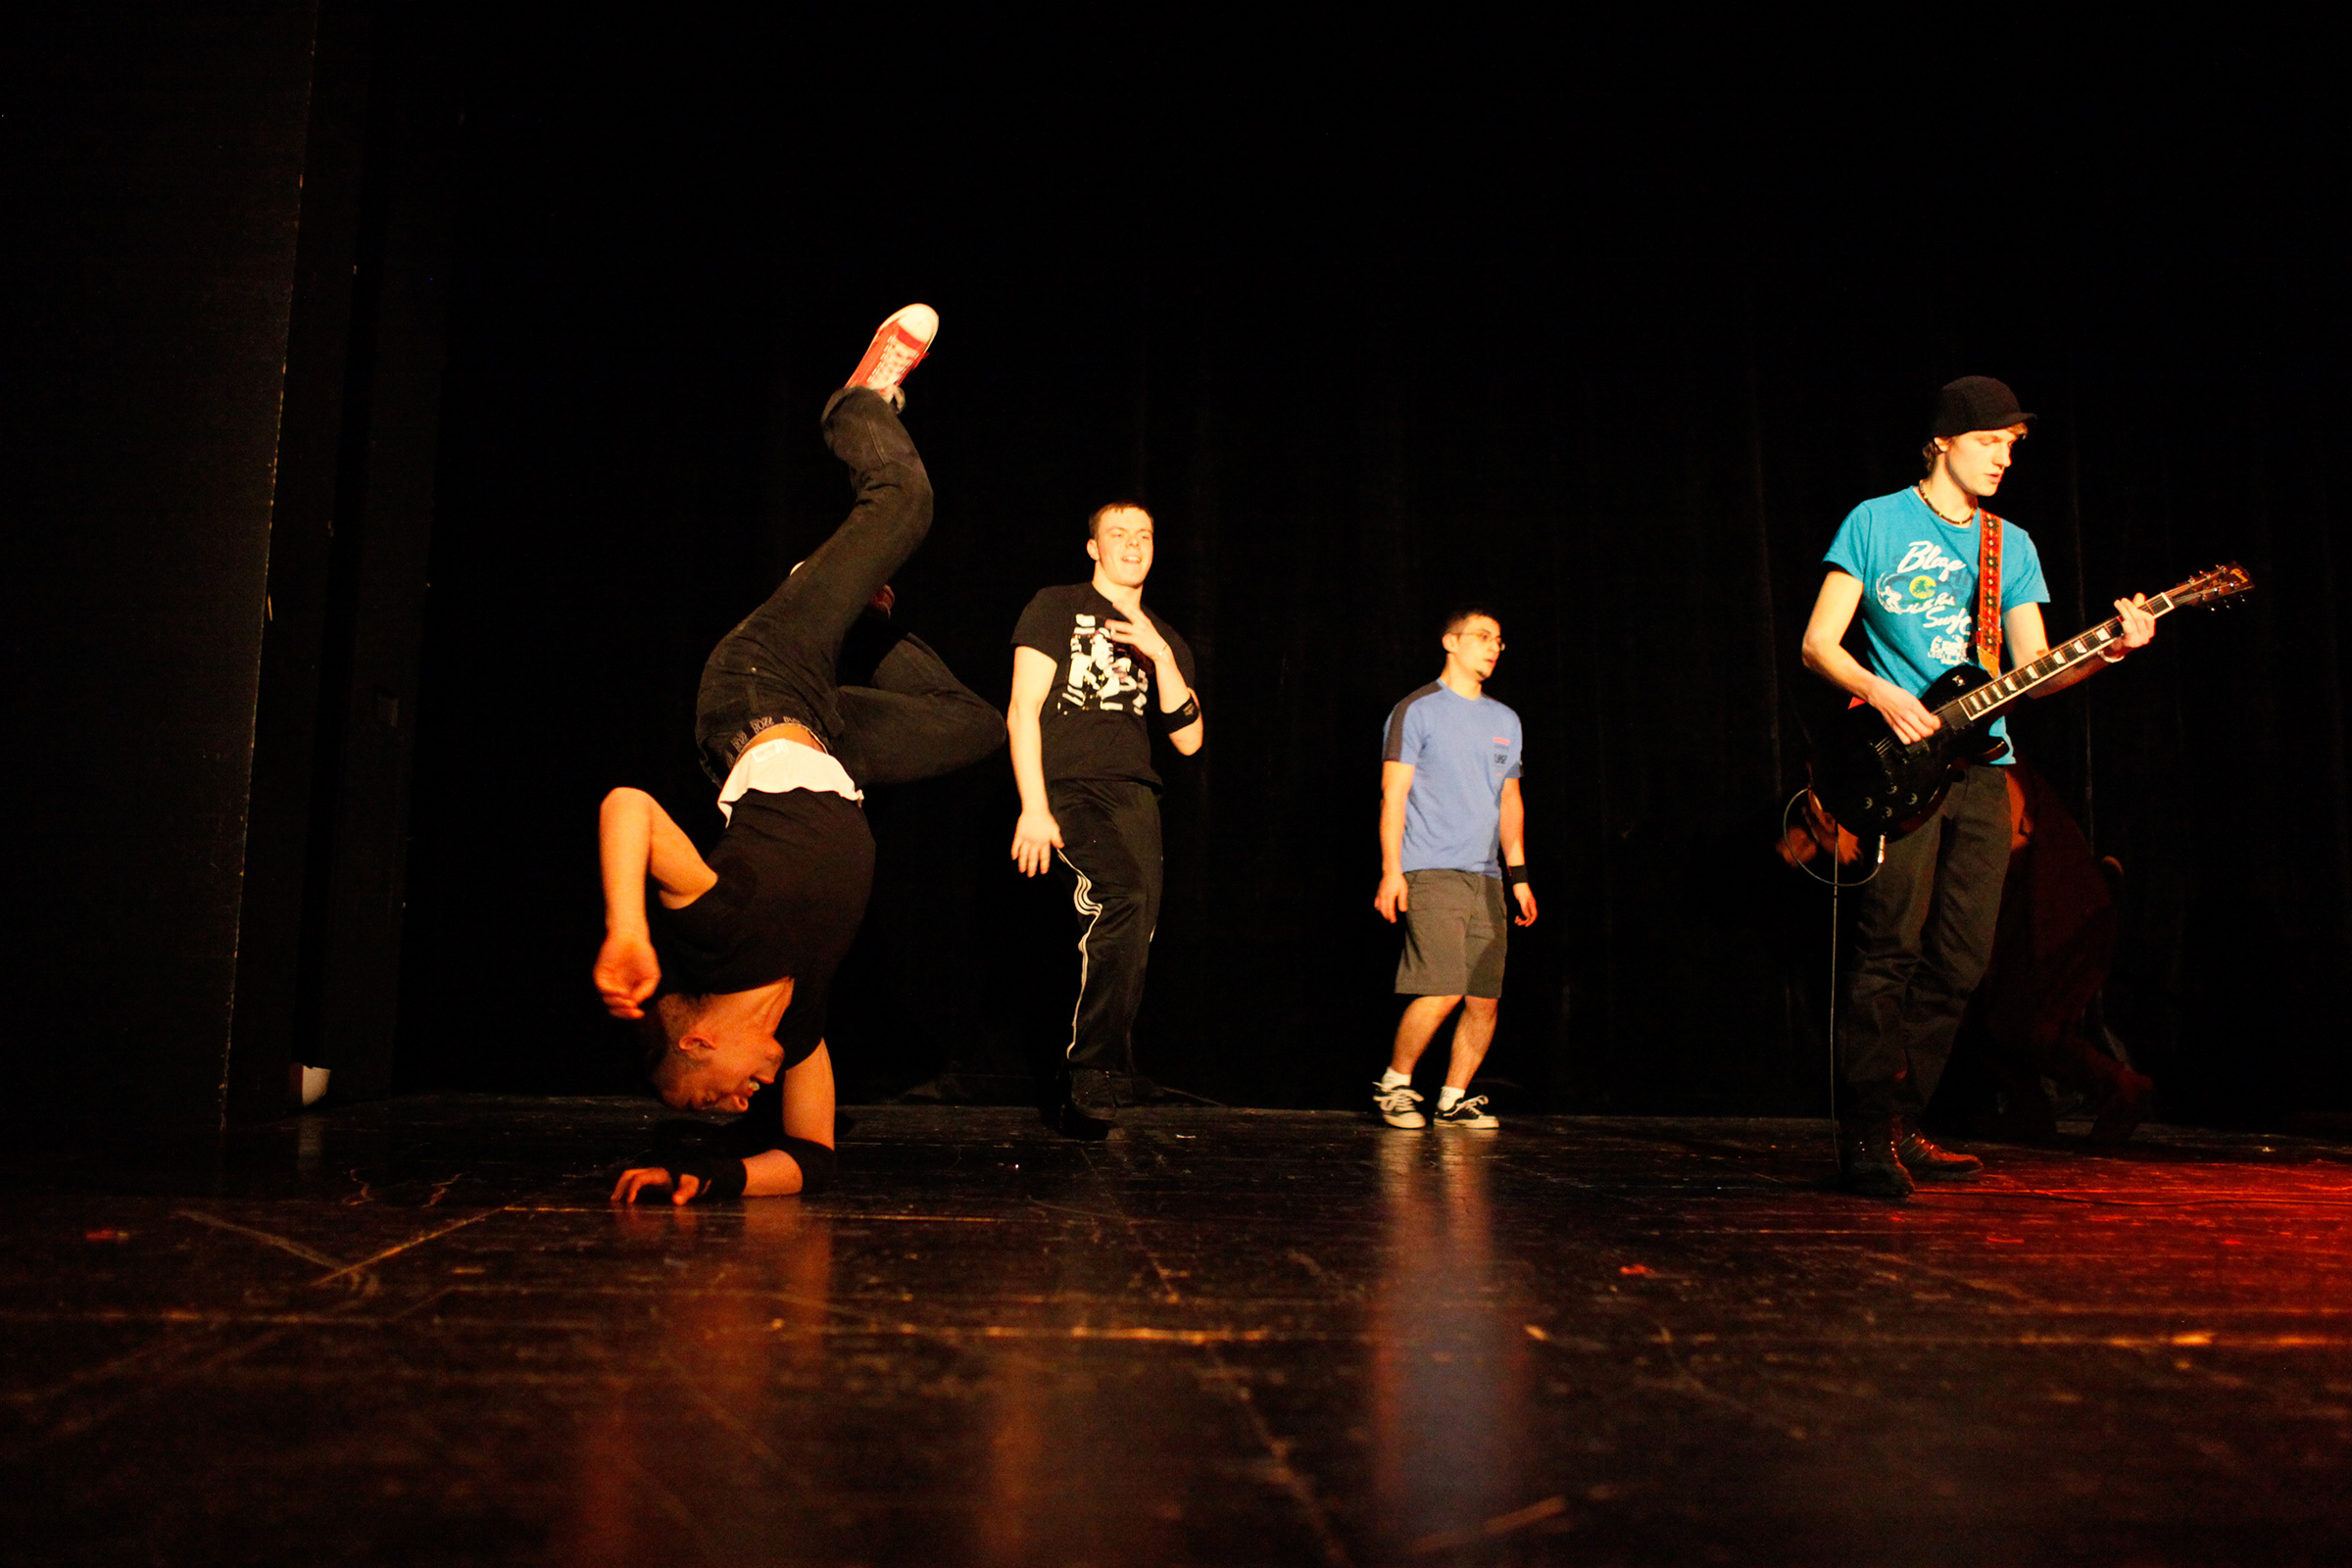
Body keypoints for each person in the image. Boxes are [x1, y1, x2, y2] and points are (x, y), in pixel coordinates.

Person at [593, 305, 1003, 1203]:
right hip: (832, 741)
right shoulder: (803, 1017)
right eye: (728, 1114)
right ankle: (853, 615)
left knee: (905, 502)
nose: (737, 1106)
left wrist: (626, 927)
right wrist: (709, 1175)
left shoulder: (715, 939)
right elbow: (812, 1158)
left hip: (760, 688)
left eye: (709, 1100)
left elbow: (629, 806)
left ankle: (856, 404)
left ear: (698, 1039)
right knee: (978, 726)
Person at [1799, 375, 2156, 1199]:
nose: (2004, 458)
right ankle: (1864, 1133)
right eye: (1990, 441)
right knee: (1888, 947)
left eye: (2011, 446)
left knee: (1960, 961)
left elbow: (2034, 672)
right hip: (1899, 764)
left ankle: (1903, 1121)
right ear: (1942, 442)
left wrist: (2110, 650)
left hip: (1984, 769)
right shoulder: (1874, 522)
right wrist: (1883, 693)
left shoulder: (2010, 546)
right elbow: (1819, 643)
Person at [1006, 502, 1202, 1138]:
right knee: (1123, 895)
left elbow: (1190, 740)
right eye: (1118, 534)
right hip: (1070, 786)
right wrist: (1035, 805)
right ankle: (1091, 1068)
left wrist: (1160, 658)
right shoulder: (1057, 606)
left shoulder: (1164, 637)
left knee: (1136, 925)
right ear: (1094, 547)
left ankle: (1106, 1065)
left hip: (1135, 795)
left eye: (1143, 535)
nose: (1132, 545)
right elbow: (1022, 709)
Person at [1371, 608, 1537, 1131]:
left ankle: (1453, 1097)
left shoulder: (1505, 720)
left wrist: (1519, 875)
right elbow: (1393, 794)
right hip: (1431, 868)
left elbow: (1509, 800)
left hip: (1486, 876)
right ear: (1451, 641)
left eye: (1499, 640)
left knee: (1484, 998)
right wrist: (1391, 870)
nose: (1493, 647)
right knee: (1442, 986)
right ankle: (1395, 1085)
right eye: (1482, 636)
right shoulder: (1417, 709)